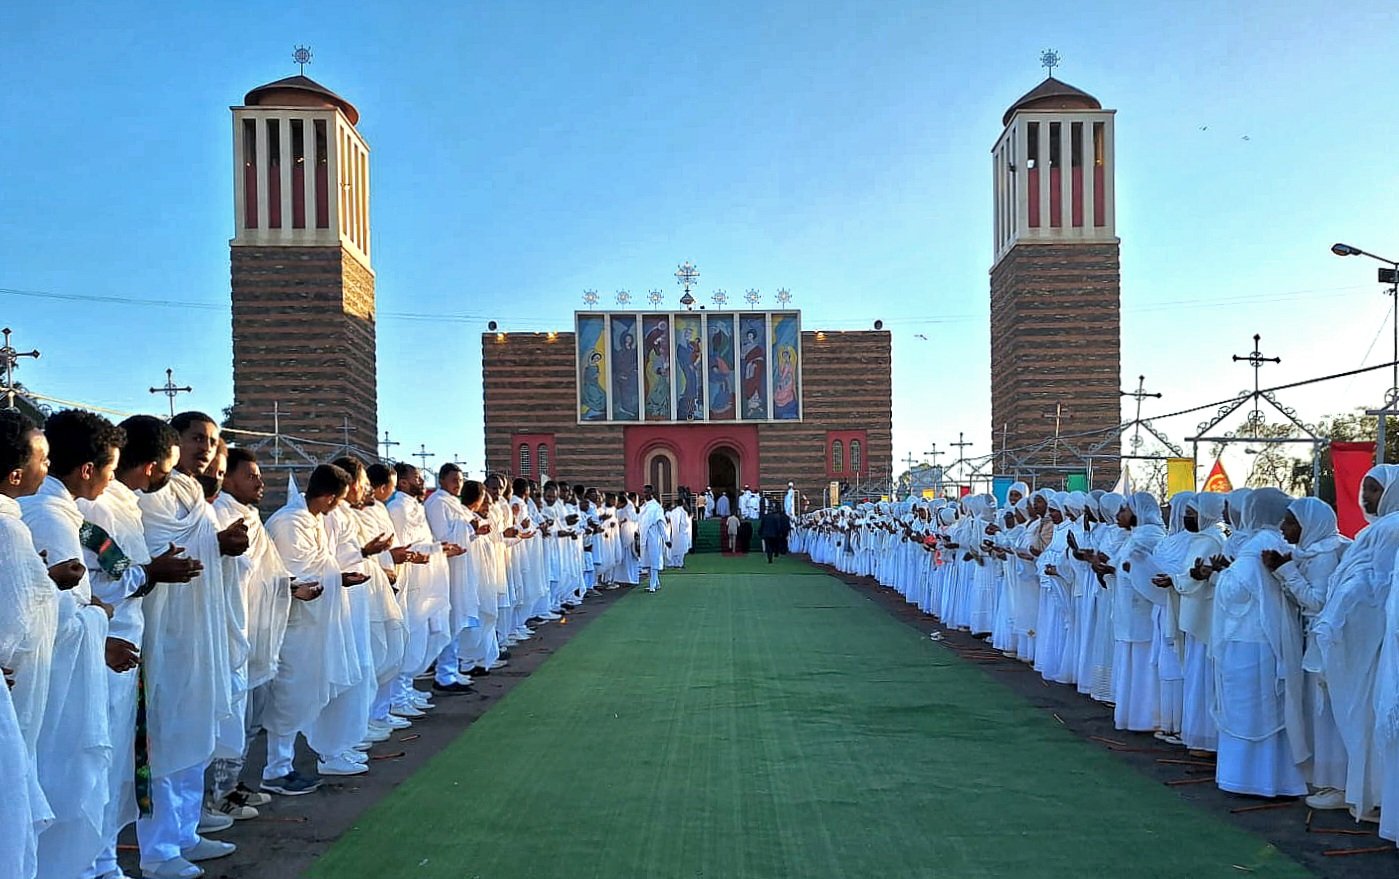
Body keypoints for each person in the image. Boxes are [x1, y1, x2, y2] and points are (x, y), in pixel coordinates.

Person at [81, 416, 204, 877]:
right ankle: (97, 864)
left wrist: (149, 569)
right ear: (152, 467)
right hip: (105, 646)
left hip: (126, 644)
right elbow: (108, 573)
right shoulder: (100, 508)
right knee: (100, 758)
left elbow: (119, 569)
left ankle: (105, 860)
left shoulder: (122, 503)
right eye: (167, 469)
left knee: (119, 760)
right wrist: (152, 573)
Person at [135, 411, 247, 878]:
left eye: (212, 441)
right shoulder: (145, 495)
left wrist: (220, 544)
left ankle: (184, 833)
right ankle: (158, 851)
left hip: (201, 629)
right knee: (165, 735)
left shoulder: (194, 495)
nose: (205, 448)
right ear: (173, 441)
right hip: (163, 632)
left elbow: (195, 548)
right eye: (197, 438)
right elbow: (144, 554)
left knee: (195, 729)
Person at [20, 410, 123, 879]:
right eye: (109, 468)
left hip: (74, 663)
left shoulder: (68, 513)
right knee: (64, 780)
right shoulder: (51, 516)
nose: (111, 478)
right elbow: (56, 617)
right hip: (59, 674)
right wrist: (99, 618)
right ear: (87, 469)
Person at [264, 465, 372, 782]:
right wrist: (334, 577)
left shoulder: (313, 519)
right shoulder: (289, 522)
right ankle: (277, 767)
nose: (338, 506)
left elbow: (320, 568)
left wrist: (340, 578)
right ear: (328, 497)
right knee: (290, 693)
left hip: (319, 623)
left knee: (311, 690)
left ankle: (321, 751)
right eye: (338, 500)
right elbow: (293, 575)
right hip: (296, 624)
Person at [1211, 487, 1308, 798]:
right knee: (1265, 706)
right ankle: (1271, 777)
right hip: (1261, 637)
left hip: (1250, 639)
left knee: (1250, 710)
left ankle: (1249, 777)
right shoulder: (1275, 543)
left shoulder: (1257, 546)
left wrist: (1223, 576)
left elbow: (1237, 590)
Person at [1319, 464, 1399, 825]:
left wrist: (1340, 613)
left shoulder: (1390, 529)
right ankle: (1366, 794)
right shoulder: (1374, 530)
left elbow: (1378, 588)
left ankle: (1376, 798)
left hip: (1376, 643)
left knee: (1372, 717)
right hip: (1364, 640)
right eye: (1365, 488)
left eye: (1375, 489)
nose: (1365, 496)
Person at [1263, 496, 1349, 810]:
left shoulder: (1326, 555)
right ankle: (1326, 779)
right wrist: (1282, 570)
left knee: (1328, 713)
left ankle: (1339, 783)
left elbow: (1317, 601)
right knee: (1317, 710)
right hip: (1312, 640)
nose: (1283, 528)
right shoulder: (1309, 552)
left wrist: (1286, 571)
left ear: (1309, 525)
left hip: (1326, 644)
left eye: (1290, 522)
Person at [0, 408, 56, 879]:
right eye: (42, 459)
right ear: (16, 474)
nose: (47, 467)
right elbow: (15, 626)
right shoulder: (9, 530)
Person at [637, 484, 669, 592]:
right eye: (644, 492)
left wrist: (666, 538)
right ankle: (656, 582)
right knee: (647, 561)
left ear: (652, 493)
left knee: (654, 560)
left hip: (654, 537)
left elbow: (661, 524)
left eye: (647, 492)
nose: (645, 494)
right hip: (644, 537)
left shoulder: (656, 507)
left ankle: (652, 585)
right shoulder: (644, 507)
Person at [665, 499, 691, 567]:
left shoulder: (673, 512)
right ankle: (680, 563)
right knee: (681, 548)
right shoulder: (683, 512)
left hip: (674, 532)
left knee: (675, 549)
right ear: (683, 503)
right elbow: (685, 523)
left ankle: (675, 563)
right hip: (681, 532)